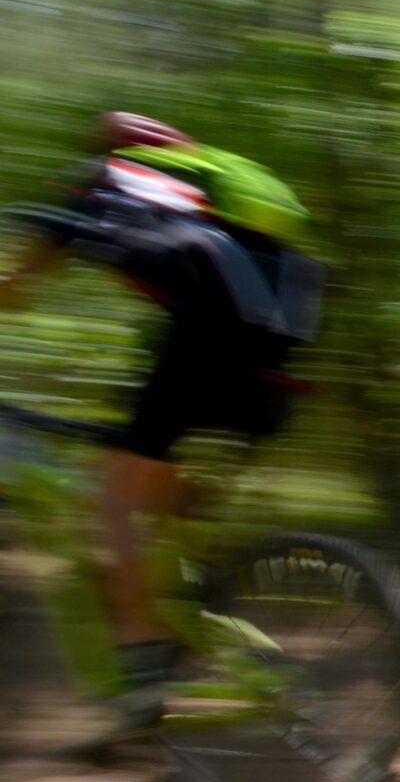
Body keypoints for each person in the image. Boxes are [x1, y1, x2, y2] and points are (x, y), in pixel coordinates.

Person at [0, 113, 323, 738]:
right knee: (162, 519)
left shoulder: (106, 180)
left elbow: (16, 290)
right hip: (283, 346)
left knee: (112, 506)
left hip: (206, 335)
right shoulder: (218, 192)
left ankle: (146, 668)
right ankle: (228, 653)